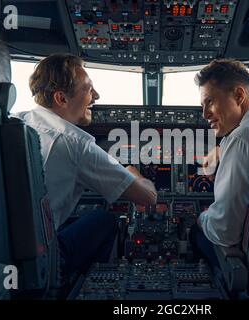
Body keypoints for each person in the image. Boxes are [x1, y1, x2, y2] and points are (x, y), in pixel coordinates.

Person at [14, 53, 157, 278]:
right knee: (103, 220)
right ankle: (76, 286)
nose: (96, 96)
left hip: (2, 256)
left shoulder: (15, 121)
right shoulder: (76, 143)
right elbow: (148, 197)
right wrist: (132, 172)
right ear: (61, 98)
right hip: (41, 264)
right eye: (89, 89)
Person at [189, 59, 249, 272]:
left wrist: (202, 218)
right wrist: (222, 148)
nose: (205, 114)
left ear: (239, 95)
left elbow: (225, 231)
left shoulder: (242, 138)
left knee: (195, 232)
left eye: (210, 102)